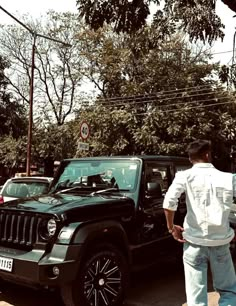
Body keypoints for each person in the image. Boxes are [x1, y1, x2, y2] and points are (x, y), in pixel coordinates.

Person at [163, 139, 236, 306]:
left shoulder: (184, 176)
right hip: (221, 241)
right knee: (228, 290)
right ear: (208, 155)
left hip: (194, 241)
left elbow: (168, 203)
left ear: (190, 159)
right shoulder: (228, 178)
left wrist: (171, 228)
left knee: (196, 295)